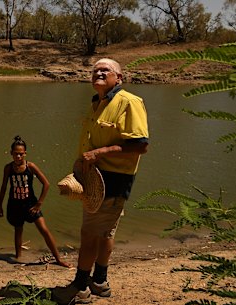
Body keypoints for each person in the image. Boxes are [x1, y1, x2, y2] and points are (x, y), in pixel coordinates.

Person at [69, 58, 149, 304]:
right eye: (95, 70)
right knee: (105, 232)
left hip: (112, 180)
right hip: (96, 178)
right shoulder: (98, 103)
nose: (99, 73)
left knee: (89, 234)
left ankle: (80, 288)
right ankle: (100, 282)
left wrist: (99, 153)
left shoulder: (129, 102)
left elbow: (140, 145)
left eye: (106, 70)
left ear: (119, 78)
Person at [0, 136, 71, 267]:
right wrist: (0, 206)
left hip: (31, 203)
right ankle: (18, 257)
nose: (18, 157)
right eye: (15, 154)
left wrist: (39, 204)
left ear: (25, 153)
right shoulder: (8, 168)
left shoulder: (30, 166)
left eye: (21, 154)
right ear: (11, 153)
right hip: (14, 204)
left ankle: (58, 259)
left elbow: (46, 184)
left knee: (44, 230)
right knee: (18, 230)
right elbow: (3, 187)